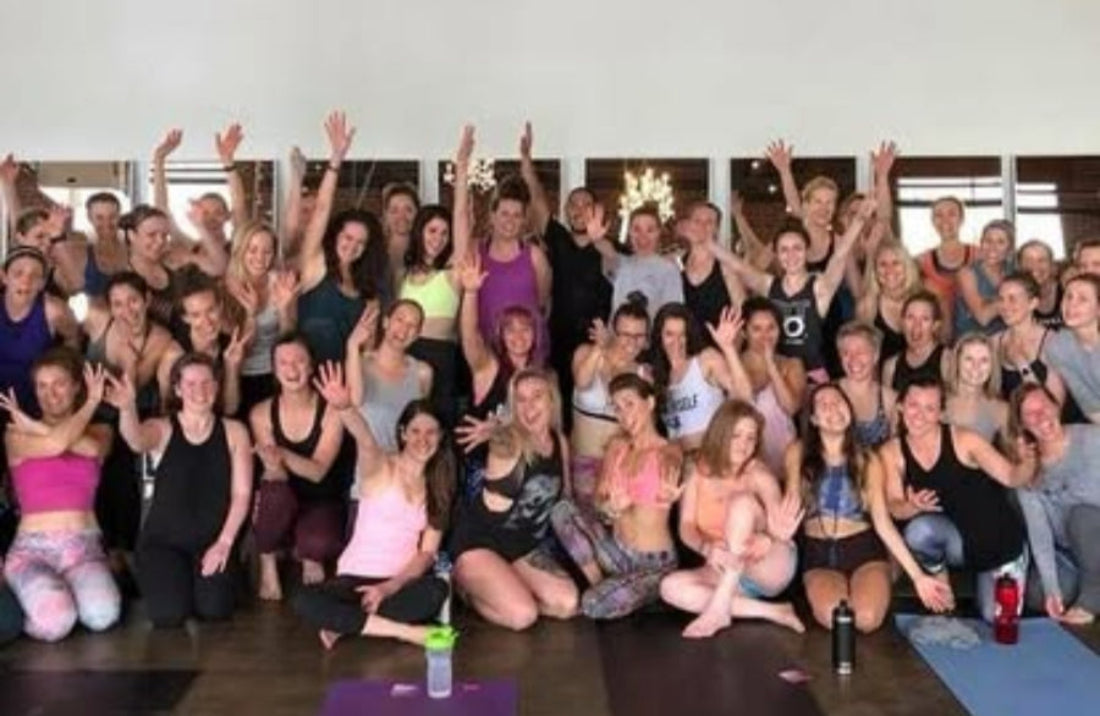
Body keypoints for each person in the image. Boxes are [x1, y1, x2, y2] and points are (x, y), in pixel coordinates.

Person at [293, 366, 453, 648]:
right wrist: (344, 408)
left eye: (431, 432)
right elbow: (365, 439)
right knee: (303, 599)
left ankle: (347, 624)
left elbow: (427, 553)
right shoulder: (381, 466)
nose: (422, 440)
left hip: (398, 584)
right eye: (415, 431)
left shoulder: (438, 485)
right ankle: (405, 632)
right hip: (353, 580)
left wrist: (388, 587)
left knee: (436, 590)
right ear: (402, 433)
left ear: (440, 438)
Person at [786, 384, 953, 632]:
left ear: (850, 411)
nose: (833, 408)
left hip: (863, 549)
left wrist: (919, 577)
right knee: (837, 617)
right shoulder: (797, 452)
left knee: (866, 619)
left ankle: (890, 568)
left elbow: (883, 523)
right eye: (824, 404)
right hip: (819, 555)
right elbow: (788, 510)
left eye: (839, 402)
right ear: (813, 419)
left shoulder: (868, 460)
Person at [111, 354, 252, 628]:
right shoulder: (162, 428)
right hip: (164, 541)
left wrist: (224, 543)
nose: (199, 391)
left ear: (217, 386)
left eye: (207, 383)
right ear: (177, 389)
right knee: (169, 614)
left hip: (213, 541)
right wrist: (127, 408)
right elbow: (136, 440)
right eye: (190, 384)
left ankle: (224, 579)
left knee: (214, 611)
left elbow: (242, 495)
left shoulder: (235, 432)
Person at [879, 377, 1034, 622]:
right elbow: (895, 508)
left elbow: (1011, 477)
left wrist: (1028, 461)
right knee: (919, 532)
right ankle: (943, 586)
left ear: (941, 413)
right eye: (913, 405)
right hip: (958, 543)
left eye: (929, 408)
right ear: (900, 407)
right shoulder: (891, 452)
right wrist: (913, 506)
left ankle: (1019, 560)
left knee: (995, 618)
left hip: (998, 541)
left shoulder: (964, 439)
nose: (919, 414)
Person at [659, 399, 805, 637]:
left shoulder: (759, 474)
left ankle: (719, 611)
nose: (744, 444)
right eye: (736, 435)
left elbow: (779, 527)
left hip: (768, 563)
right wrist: (707, 549)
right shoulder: (699, 470)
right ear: (721, 434)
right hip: (725, 566)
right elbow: (686, 526)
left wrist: (769, 537)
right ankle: (771, 611)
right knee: (670, 588)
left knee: (742, 503)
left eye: (751, 437)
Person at [0, 352, 119, 641]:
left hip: (84, 549)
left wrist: (35, 424)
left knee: (102, 616)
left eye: (59, 384)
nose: (50, 393)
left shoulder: (100, 431)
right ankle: (29, 601)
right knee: (56, 623)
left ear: (77, 386)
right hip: (33, 550)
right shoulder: (16, 434)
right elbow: (55, 444)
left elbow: (91, 450)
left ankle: (60, 595)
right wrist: (92, 402)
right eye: (42, 386)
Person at [450, 368, 578, 630]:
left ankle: (507, 588)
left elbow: (566, 498)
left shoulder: (560, 442)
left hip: (521, 549)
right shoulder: (508, 441)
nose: (529, 407)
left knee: (567, 603)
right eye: (520, 399)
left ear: (552, 400)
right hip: (479, 544)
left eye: (537, 396)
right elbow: (503, 439)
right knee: (523, 616)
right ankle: (463, 588)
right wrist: (494, 430)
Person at [551, 374, 682, 619]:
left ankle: (627, 590)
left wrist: (671, 483)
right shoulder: (617, 448)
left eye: (629, 404)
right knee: (562, 510)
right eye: (617, 408)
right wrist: (609, 509)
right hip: (617, 554)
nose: (623, 414)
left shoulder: (668, 451)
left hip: (654, 563)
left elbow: (674, 462)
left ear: (650, 403)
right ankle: (602, 583)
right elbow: (599, 504)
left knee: (591, 604)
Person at [712, 198, 877, 384]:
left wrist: (859, 221)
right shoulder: (769, 285)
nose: (791, 256)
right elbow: (739, 266)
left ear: (807, 251)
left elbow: (839, 257)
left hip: (812, 377)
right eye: (784, 250)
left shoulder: (819, 286)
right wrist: (707, 242)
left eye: (797, 248)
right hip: (778, 375)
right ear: (777, 255)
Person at [519, 124, 611, 427]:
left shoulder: (609, 247)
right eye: (573, 205)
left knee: (593, 404)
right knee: (559, 404)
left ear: (597, 211)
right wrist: (526, 160)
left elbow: (618, 263)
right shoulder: (557, 237)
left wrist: (600, 241)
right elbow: (537, 199)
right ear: (566, 211)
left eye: (586, 204)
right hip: (556, 335)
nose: (579, 210)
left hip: (595, 340)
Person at [251, 334, 348, 600]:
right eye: (283, 362)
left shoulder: (331, 410)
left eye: (299, 361)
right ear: (274, 368)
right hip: (284, 497)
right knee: (271, 489)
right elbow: (276, 473)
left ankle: (304, 548)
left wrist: (280, 453)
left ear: (311, 365)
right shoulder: (261, 413)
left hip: (320, 500)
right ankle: (268, 562)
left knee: (319, 543)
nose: (292, 370)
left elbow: (318, 472)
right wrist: (274, 464)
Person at [294, 111, 387, 365]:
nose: (352, 246)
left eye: (360, 243)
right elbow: (322, 209)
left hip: (346, 386)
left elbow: (368, 352)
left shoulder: (368, 290)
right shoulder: (315, 264)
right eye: (348, 237)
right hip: (304, 380)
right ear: (335, 235)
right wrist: (336, 159)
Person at [453, 252, 540, 499]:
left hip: (523, 470)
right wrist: (471, 293)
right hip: (483, 471)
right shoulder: (488, 366)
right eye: (510, 330)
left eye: (525, 329)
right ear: (500, 335)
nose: (518, 336)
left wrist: (500, 428)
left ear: (535, 334)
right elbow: (469, 335)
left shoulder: (540, 376)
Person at [1012, 384, 1100, 624]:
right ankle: (1088, 579)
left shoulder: (1092, 439)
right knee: (1036, 595)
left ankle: (1092, 596)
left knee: (1081, 517)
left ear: (1057, 406)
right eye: (1030, 413)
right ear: (1023, 426)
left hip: (1095, 534)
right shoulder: (1028, 470)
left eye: (1044, 406)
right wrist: (1051, 588)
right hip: (1070, 554)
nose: (1040, 416)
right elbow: (1040, 534)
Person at [462, 128, 551, 363]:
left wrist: (525, 159)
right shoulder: (476, 251)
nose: (509, 221)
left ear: (524, 220)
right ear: (492, 216)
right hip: (485, 354)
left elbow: (542, 301)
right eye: (504, 214)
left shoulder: (534, 256)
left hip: (528, 354)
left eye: (516, 215)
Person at [569, 299, 651, 508]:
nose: (632, 342)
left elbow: (644, 429)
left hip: (619, 470)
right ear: (613, 331)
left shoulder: (644, 375)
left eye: (639, 336)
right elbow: (582, 381)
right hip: (581, 464)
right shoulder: (586, 353)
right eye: (625, 334)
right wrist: (600, 349)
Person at [223, 220, 300, 418]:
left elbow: (288, 338)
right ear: (241, 250)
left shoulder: (280, 282)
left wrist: (284, 308)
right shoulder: (226, 287)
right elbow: (242, 350)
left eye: (267, 251)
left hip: (274, 371)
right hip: (237, 374)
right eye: (253, 249)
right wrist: (251, 314)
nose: (260, 257)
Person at [651, 303, 752, 452]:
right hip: (680, 464)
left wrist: (728, 348)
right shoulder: (658, 377)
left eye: (682, 334)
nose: (677, 342)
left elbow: (744, 395)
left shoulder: (705, 360)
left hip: (711, 456)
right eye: (669, 334)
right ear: (659, 336)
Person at [346, 300, 432, 462]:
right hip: (369, 467)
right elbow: (354, 401)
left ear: (417, 335)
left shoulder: (422, 372)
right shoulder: (359, 362)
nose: (404, 329)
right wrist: (352, 345)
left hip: (407, 467)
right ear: (386, 322)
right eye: (399, 320)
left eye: (412, 325)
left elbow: (421, 421)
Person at [0, 247, 80, 416]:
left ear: (42, 283)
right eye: (18, 273)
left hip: (37, 406)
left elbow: (73, 338)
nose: (26, 281)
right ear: (4, 277)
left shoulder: (54, 310)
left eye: (34, 276)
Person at [737, 298, 804, 475]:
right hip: (743, 465)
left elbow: (791, 407)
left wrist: (771, 366)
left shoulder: (792, 364)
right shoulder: (732, 365)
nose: (765, 335)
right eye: (756, 329)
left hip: (784, 463)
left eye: (771, 328)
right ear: (744, 332)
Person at [591, 204, 682, 321]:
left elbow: (673, 315)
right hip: (618, 338)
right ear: (629, 232)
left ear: (659, 232)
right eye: (636, 229)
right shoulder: (622, 264)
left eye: (650, 230)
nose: (642, 236)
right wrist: (597, 239)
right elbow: (609, 252)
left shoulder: (669, 270)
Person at [1043, 274, 1100, 423]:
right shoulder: (1059, 346)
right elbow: (1090, 405)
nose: (1071, 305)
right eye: (1068, 297)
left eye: (1082, 299)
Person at [680, 201, 744, 332]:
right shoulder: (677, 264)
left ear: (716, 228)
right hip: (684, 345)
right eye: (697, 221)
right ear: (689, 225)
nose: (702, 226)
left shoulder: (726, 266)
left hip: (720, 344)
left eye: (709, 222)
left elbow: (741, 310)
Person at [856, 240, 921, 368]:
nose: (889, 270)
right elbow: (865, 353)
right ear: (875, 270)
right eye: (883, 264)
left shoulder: (921, 299)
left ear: (907, 266)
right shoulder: (867, 306)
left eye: (896, 263)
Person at [916, 196, 976, 334]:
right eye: (938, 215)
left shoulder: (980, 256)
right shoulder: (920, 261)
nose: (945, 220)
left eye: (951, 214)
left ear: (961, 219)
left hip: (976, 335)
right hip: (938, 337)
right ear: (932, 221)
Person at [835, 322, 896, 448]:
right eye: (846, 353)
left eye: (860, 352)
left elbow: (896, 448)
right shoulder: (827, 393)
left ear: (876, 355)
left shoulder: (890, 399)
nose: (853, 359)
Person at [881, 290, 952, 394]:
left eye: (925, 319)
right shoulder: (891, 367)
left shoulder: (947, 361)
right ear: (902, 322)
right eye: (910, 317)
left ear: (935, 325)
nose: (916, 325)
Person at [945, 333, 1009, 444]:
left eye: (984, 360)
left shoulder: (1002, 410)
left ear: (993, 366)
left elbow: (1015, 455)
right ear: (956, 361)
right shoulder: (936, 401)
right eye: (969, 359)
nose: (976, 366)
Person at [954, 219, 1015, 336]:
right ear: (981, 243)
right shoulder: (967, 273)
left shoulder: (1013, 274)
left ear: (1010, 249)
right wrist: (1010, 301)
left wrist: (992, 304)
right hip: (971, 341)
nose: (993, 247)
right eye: (988, 241)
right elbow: (983, 317)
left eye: (1000, 242)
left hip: (1004, 341)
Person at [382, 182, 421, 294]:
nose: (401, 217)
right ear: (386, 215)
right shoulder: (374, 251)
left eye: (408, 210)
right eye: (394, 211)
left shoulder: (427, 252)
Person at [1017, 240, 1063, 329]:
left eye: (1042, 260)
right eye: (1028, 260)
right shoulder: (1012, 298)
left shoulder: (1068, 291)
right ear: (1019, 267)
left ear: (1052, 265)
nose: (1035, 266)